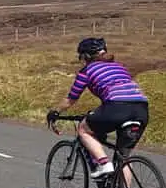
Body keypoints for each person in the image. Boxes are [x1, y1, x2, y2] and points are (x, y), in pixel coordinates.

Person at [50, 37, 149, 180]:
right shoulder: (119, 66)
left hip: (117, 107)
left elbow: (71, 99)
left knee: (83, 129)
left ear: (86, 56)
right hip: (141, 108)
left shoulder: (86, 71)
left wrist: (55, 112)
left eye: (81, 57)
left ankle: (104, 163)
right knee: (124, 157)